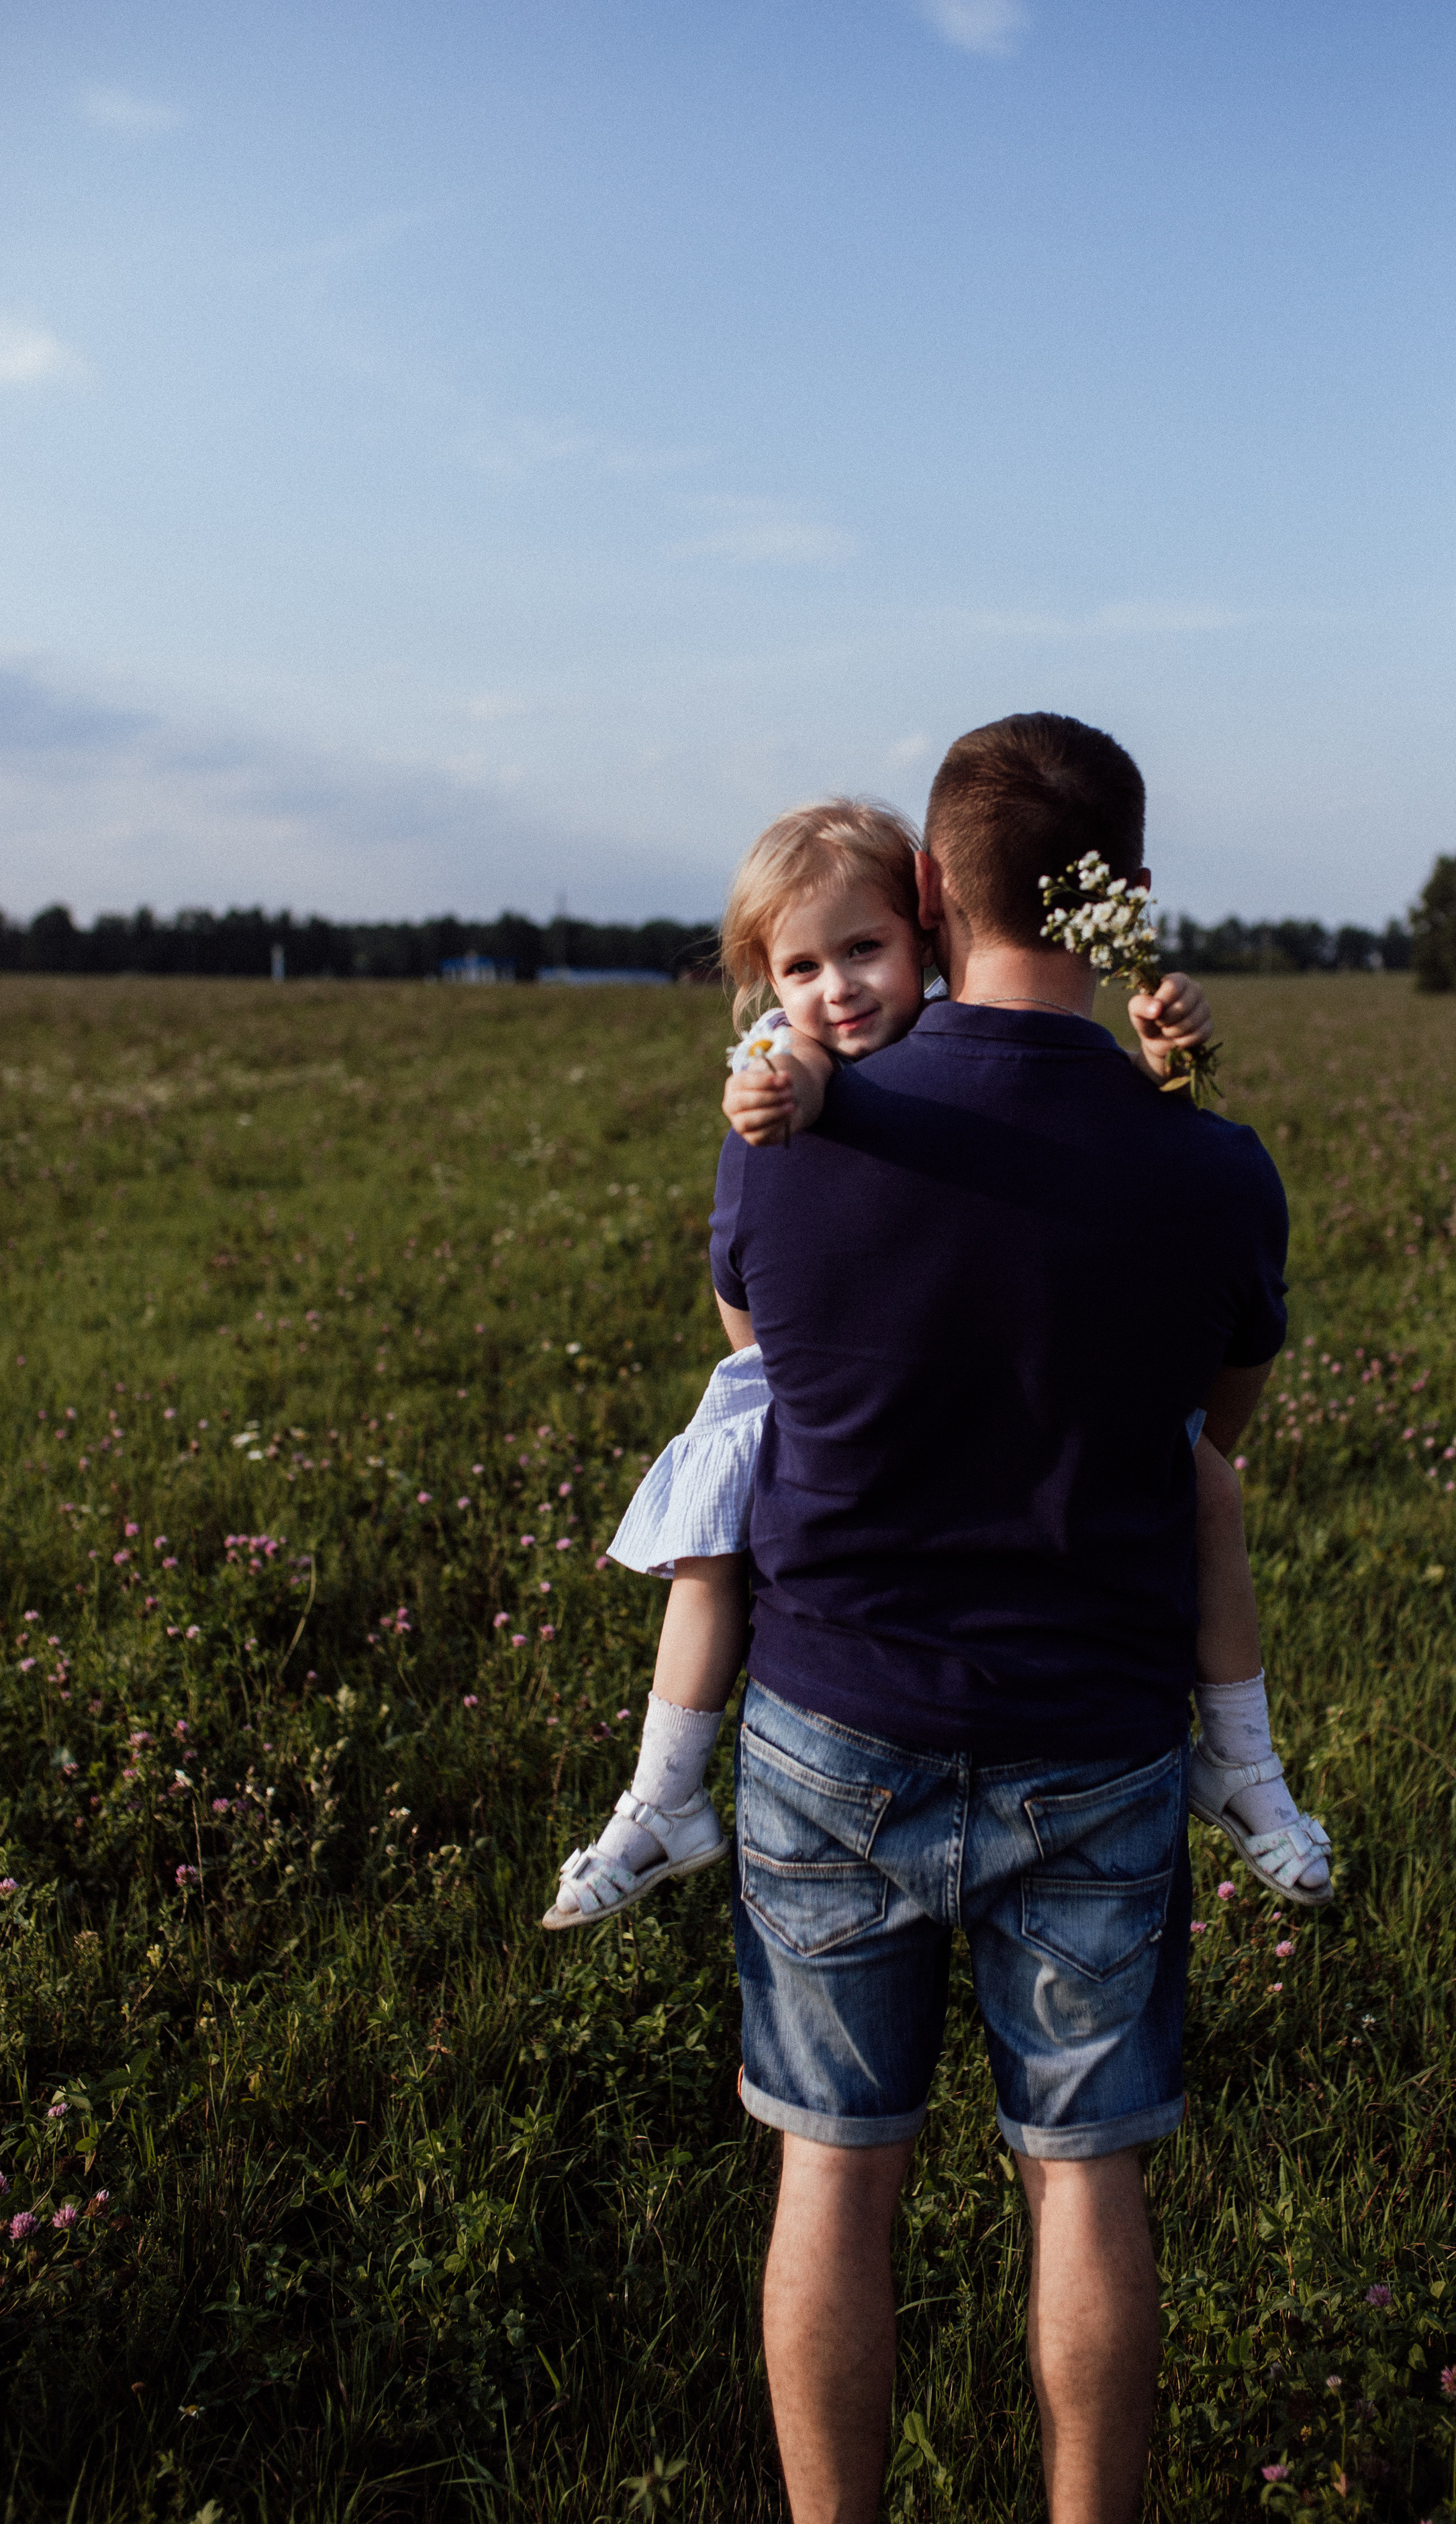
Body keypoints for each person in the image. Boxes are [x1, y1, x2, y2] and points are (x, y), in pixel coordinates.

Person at [541, 796, 1324, 1938]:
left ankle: (1245, 1758)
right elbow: (790, 1071)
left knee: (1211, 1481)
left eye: (864, 950)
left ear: (925, 924)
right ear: (767, 980)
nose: (839, 989)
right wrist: (783, 1087)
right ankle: (662, 1792)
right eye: (801, 966)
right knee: (714, 1538)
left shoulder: (963, 1025)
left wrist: (1171, 1056)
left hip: (923, 1428)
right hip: (817, 1382)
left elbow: (1105, 1100)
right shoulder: (795, 1053)